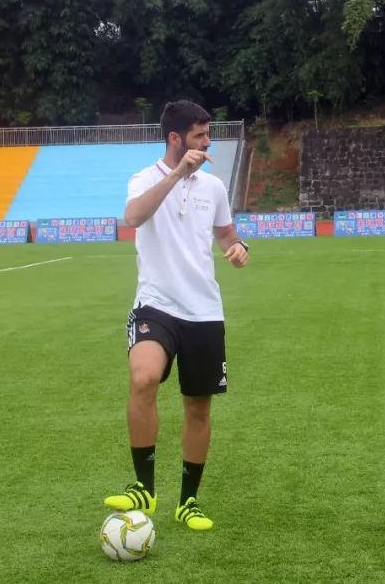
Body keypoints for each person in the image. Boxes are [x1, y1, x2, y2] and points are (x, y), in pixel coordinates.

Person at [104, 100, 249, 532]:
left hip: (204, 309)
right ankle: (144, 487)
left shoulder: (214, 187)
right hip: (156, 303)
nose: (208, 143)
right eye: (200, 136)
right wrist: (176, 176)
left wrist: (238, 249)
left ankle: (188, 502)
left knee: (197, 407)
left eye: (208, 135)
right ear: (175, 138)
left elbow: (227, 234)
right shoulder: (144, 179)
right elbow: (133, 217)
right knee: (143, 376)